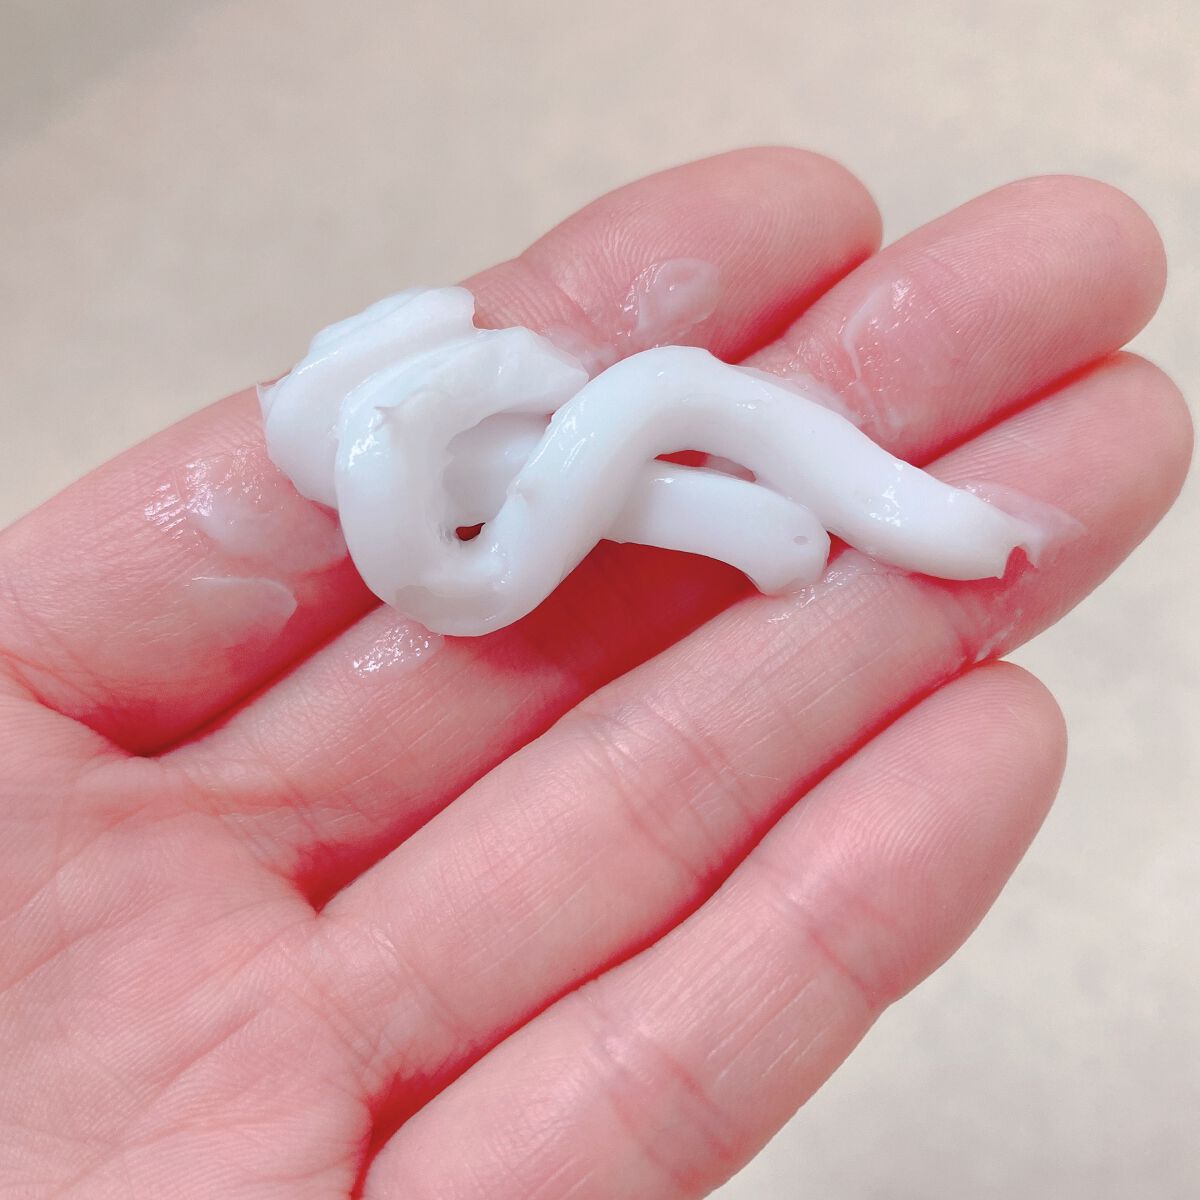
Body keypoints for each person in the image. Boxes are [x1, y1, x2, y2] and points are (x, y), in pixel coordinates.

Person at [0, 148, 1190, 1199]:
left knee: (693, 435)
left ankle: (919, 528)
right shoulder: (412, 455)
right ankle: (905, 528)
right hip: (545, 455)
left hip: (583, 446)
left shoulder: (452, 438)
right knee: (690, 441)